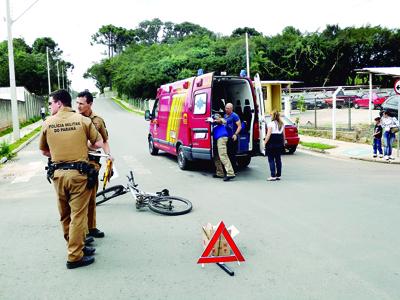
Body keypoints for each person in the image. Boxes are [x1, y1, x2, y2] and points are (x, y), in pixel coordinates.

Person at [39, 89, 103, 269]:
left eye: (51, 103)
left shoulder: (48, 123)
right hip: (79, 175)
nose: (49, 106)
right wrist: (83, 147)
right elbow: (97, 144)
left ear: (59, 103)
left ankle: (76, 247)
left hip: (58, 175)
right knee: (78, 216)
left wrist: (60, 154)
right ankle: (75, 256)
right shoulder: (83, 120)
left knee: (65, 215)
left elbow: (44, 151)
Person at [76, 90, 112, 239]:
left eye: (81, 104)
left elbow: (104, 140)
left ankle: (91, 228)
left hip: (92, 164)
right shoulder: (74, 119)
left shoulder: (97, 120)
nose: (78, 106)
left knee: (91, 198)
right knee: (79, 200)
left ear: (90, 104)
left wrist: (109, 156)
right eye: (77, 103)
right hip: (77, 163)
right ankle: (81, 232)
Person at [211, 114, 235, 181]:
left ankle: (230, 173)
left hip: (221, 138)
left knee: (223, 156)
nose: (216, 118)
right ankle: (220, 173)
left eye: (217, 117)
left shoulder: (221, 121)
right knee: (216, 156)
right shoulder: (214, 124)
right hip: (217, 139)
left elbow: (222, 120)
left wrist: (214, 120)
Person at [264, 110, 285, 181]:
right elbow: (283, 135)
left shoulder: (270, 124)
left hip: (272, 142)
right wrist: (283, 143)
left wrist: (264, 143)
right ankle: (278, 175)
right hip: (279, 141)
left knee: (271, 159)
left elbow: (268, 135)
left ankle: (273, 175)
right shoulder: (282, 124)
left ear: (272, 116)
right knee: (278, 159)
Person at [224, 103, 241, 172]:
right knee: (227, 154)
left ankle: (234, 170)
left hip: (233, 138)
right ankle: (229, 169)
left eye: (227, 108)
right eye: (225, 108)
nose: (226, 109)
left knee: (232, 155)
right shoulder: (225, 116)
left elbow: (239, 126)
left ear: (231, 109)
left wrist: (235, 134)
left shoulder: (235, 116)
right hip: (226, 138)